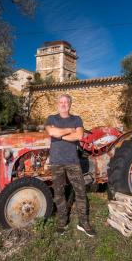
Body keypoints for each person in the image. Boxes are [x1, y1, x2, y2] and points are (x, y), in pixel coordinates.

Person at [45, 94, 96, 237]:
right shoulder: (51, 118)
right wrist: (69, 131)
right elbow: (51, 131)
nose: (63, 104)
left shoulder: (76, 119)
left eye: (66, 102)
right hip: (56, 162)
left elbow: (79, 136)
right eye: (61, 102)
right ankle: (62, 222)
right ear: (57, 104)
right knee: (59, 193)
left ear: (70, 104)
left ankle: (83, 222)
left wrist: (59, 134)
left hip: (73, 161)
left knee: (80, 192)